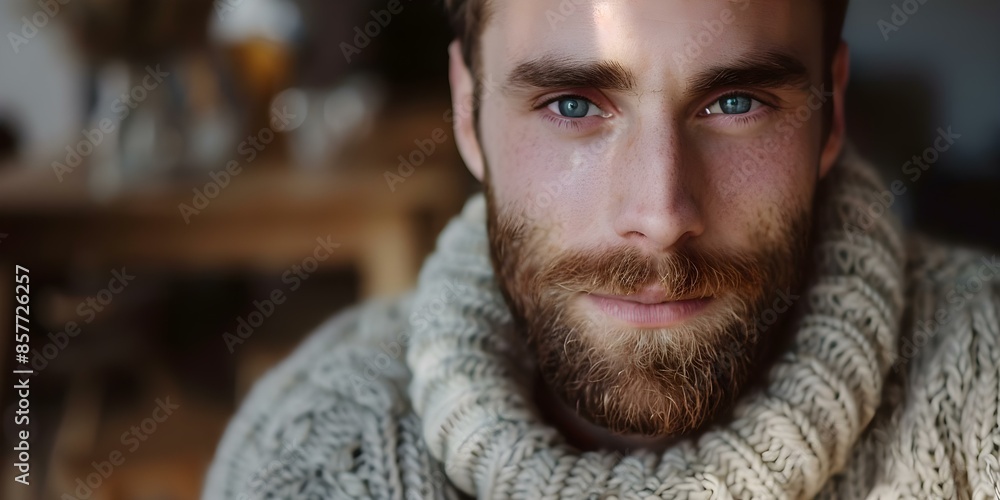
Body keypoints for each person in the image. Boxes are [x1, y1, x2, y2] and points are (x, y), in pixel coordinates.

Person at [203, 1, 1000, 497]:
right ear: (467, 109)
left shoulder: (982, 390)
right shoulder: (304, 458)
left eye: (735, 101)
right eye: (574, 102)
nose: (659, 214)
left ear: (830, 112)